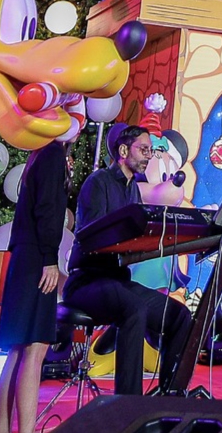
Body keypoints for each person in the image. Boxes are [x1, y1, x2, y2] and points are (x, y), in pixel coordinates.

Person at [63, 125, 191, 396]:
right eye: (144, 149)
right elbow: (93, 238)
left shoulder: (133, 189)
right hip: (88, 281)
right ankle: (128, 404)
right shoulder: (98, 182)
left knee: (180, 316)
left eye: (150, 151)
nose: (148, 156)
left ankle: (170, 397)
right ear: (123, 150)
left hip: (118, 282)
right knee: (134, 308)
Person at [0, 142, 69, 433]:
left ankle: (3, 429)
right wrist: (50, 258)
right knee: (35, 349)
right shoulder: (52, 152)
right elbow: (47, 207)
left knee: (18, 349)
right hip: (37, 257)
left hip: (25, 256)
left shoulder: (39, 154)